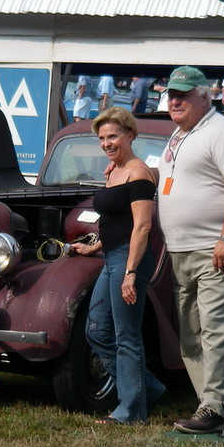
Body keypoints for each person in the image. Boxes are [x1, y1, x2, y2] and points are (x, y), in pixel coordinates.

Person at [156, 66, 224, 434]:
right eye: (171, 94)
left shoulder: (223, 132)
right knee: (190, 331)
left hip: (217, 246)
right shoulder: (179, 134)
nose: (174, 100)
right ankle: (213, 404)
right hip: (183, 248)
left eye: (183, 94)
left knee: (215, 327)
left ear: (206, 95)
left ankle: (215, 406)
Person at [72, 107, 166, 425]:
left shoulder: (139, 173)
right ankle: (146, 388)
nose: (107, 143)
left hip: (129, 260)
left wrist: (129, 272)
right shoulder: (114, 172)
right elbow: (115, 220)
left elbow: (141, 227)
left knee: (127, 335)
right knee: (96, 330)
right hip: (111, 257)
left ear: (130, 135)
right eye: (102, 138)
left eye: (113, 136)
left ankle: (130, 410)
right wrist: (94, 245)